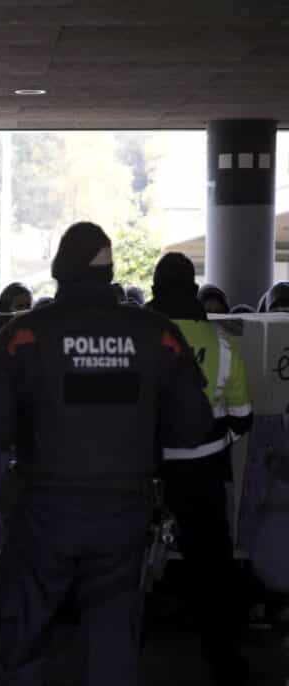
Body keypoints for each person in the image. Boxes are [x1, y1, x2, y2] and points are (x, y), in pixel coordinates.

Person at [0, 222, 214, 686]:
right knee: (113, 640)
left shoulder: (27, 333)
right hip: (125, 512)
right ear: (111, 270)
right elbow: (195, 426)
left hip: (43, 509)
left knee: (24, 638)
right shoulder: (156, 334)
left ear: (60, 268)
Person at [147, 252, 252, 686]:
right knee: (212, 568)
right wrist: (216, 439)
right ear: (193, 288)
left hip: (144, 473)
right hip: (204, 473)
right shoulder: (225, 345)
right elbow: (243, 416)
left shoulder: (139, 341)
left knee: (125, 564)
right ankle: (223, 659)